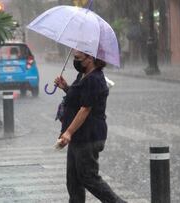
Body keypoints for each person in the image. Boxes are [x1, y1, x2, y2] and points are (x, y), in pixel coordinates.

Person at [54, 50, 126, 203]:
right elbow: (79, 98)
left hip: (89, 136)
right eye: (74, 57)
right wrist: (66, 87)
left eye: (78, 58)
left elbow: (85, 108)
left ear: (91, 58)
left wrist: (68, 132)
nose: (75, 61)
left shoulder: (94, 79)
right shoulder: (83, 75)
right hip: (79, 136)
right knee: (73, 180)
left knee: (89, 178)